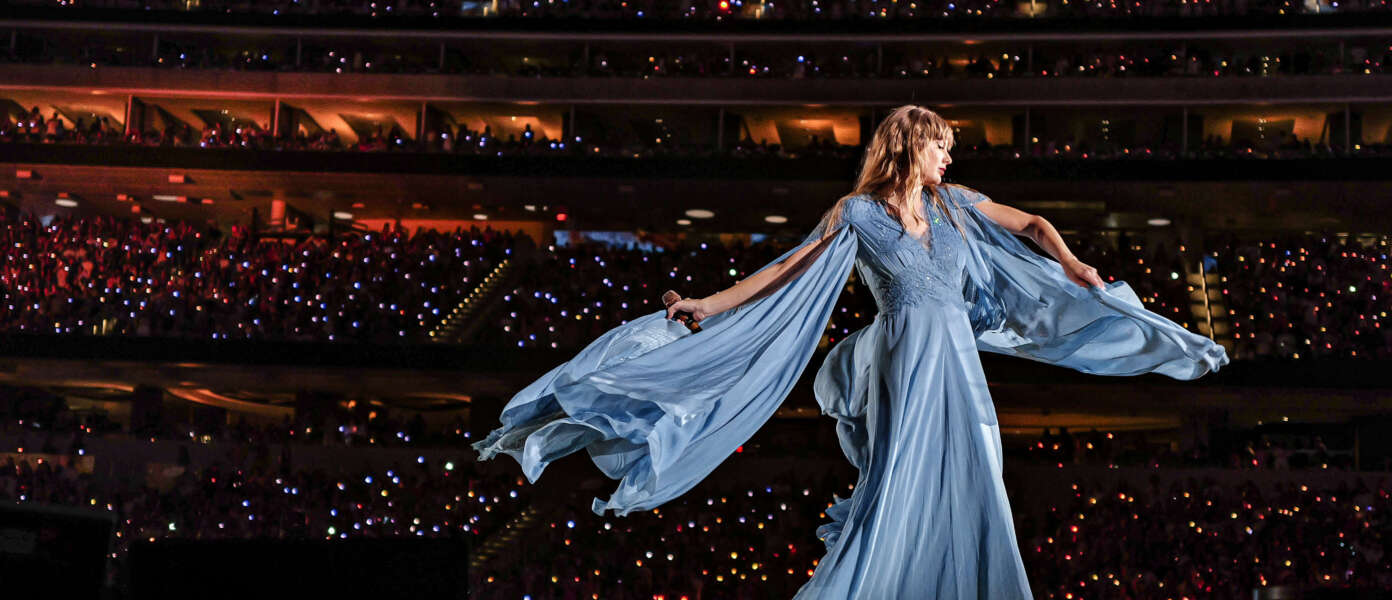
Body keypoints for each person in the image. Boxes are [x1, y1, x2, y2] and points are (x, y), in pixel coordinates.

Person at [472, 104, 1227, 598]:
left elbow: (1030, 223)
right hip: (903, 356)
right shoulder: (858, 214)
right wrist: (706, 302)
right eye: (941, 149)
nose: (949, 161)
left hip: (958, 359)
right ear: (910, 146)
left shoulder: (956, 206)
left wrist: (1077, 268)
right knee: (900, 474)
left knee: (979, 470)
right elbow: (783, 270)